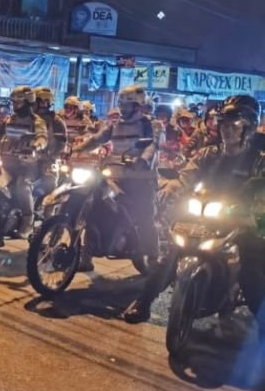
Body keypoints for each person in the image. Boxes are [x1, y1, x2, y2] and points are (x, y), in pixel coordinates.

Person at [125, 95, 265, 323]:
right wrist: (171, 187)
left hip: (242, 223)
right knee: (171, 255)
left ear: (247, 129)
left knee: (252, 273)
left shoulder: (259, 161)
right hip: (205, 217)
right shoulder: (208, 154)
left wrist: (255, 211)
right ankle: (143, 302)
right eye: (224, 125)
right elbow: (186, 175)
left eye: (233, 127)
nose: (226, 131)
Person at [73, 85, 160, 276]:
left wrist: (143, 160)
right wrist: (78, 149)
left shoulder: (149, 125)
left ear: (137, 106)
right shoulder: (114, 124)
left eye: (127, 105)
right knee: (93, 207)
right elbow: (97, 138)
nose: (122, 109)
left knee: (145, 216)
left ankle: (154, 256)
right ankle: (85, 258)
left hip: (140, 180)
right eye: (121, 104)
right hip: (114, 176)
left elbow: (152, 146)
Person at [0, 86, 48, 248]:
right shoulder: (10, 120)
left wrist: (36, 146)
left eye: (18, 101)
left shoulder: (37, 122)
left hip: (27, 165)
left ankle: (28, 219)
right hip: (6, 163)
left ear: (28, 102)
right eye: (13, 101)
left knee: (22, 186)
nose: (14, 104)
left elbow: (43, 137)